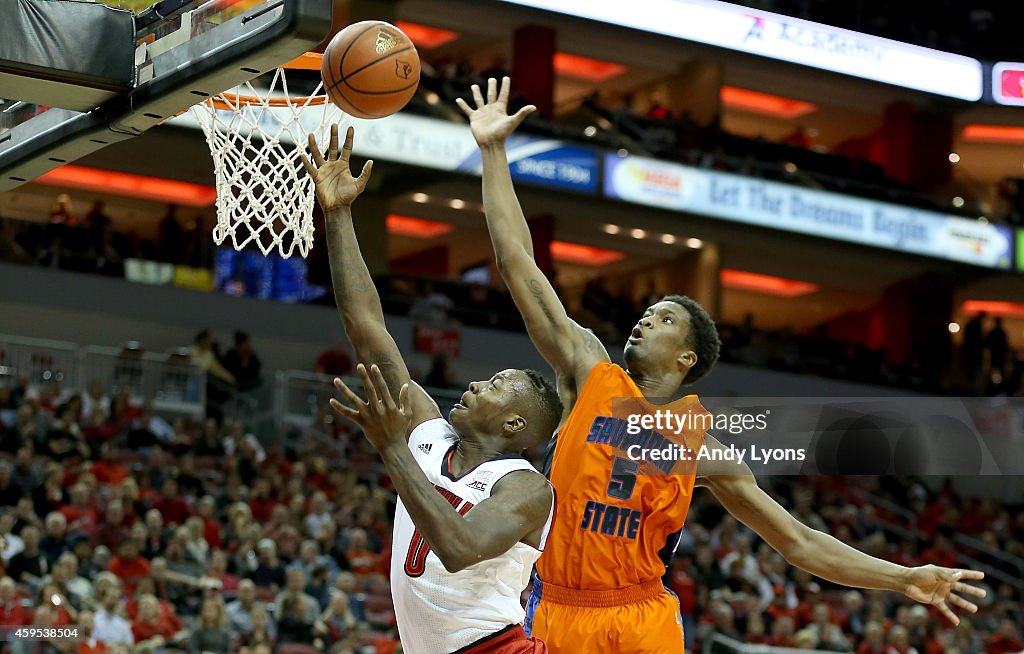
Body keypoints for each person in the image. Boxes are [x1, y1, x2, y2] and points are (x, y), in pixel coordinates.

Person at [458, 76, 988, 654]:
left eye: (662, 319)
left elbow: (799, 542)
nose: (642, 319)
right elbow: (519, 267)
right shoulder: (589, 372)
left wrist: (903, 577)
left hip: (639, 619)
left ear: (686, 358)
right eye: (647, 311)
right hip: (555, 607)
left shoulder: (704, 450)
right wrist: (492, 153)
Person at [301, 124, 559, 653]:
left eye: (494, 385)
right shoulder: (426, 428)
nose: (474, 383)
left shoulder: (525, 487)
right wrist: (339, 216)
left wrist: (392, 449)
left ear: (515, 424)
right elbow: (366, 326)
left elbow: (462, 547)